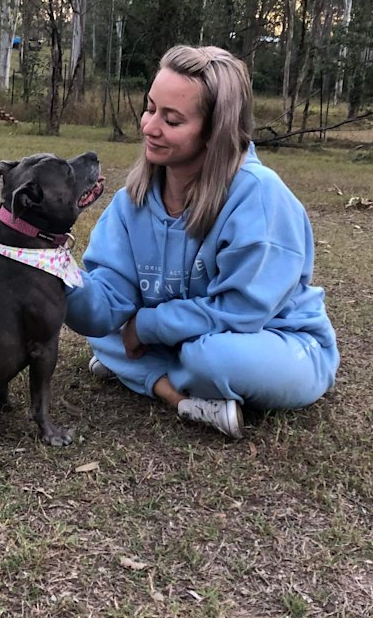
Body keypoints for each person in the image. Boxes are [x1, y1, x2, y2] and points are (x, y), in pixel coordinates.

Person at [65, 45, 340, 439]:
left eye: (171, 120)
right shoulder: (132, 202)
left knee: (211, 357)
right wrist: (54, 278)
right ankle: (179, 395)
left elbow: (242, 312)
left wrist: (147, 325)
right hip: (178, 338)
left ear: (214, 132)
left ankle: (150, 373)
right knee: (104, 333)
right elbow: (109, 299)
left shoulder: (260, 197)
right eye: (150, 108)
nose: (149, 127)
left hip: (276, 341)